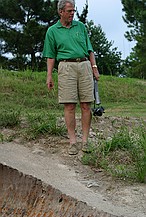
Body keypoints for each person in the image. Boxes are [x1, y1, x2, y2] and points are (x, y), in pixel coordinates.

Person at [43, 0, 100, 155]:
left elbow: (90, 50)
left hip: (84, 65)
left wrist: (94, 68)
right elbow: (50, 56)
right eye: (69, 11)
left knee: (86, 105)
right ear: (61, 12)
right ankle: (73, 141)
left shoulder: (80, 27)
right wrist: (49, 76)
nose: (72, 13)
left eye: (73, 10)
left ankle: (85, 141)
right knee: (69, 106)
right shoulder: (52, 31)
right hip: (66, 67)